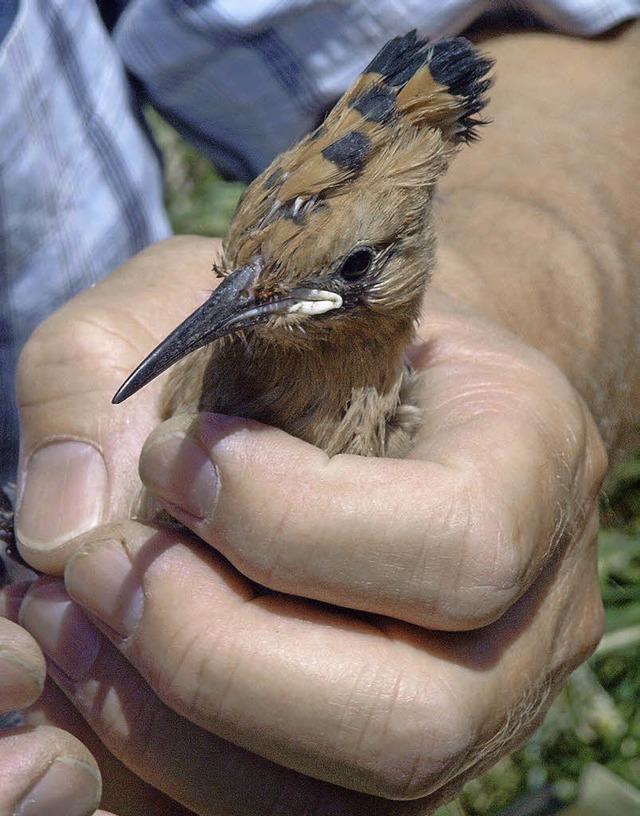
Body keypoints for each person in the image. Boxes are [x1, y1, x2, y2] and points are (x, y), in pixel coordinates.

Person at [1, 2, 639, 814]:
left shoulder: (374, 413)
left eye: (352, 269)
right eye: (231, 276)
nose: (229, 315)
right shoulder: (242, 336)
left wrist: (509, 311)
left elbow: (617, 61)